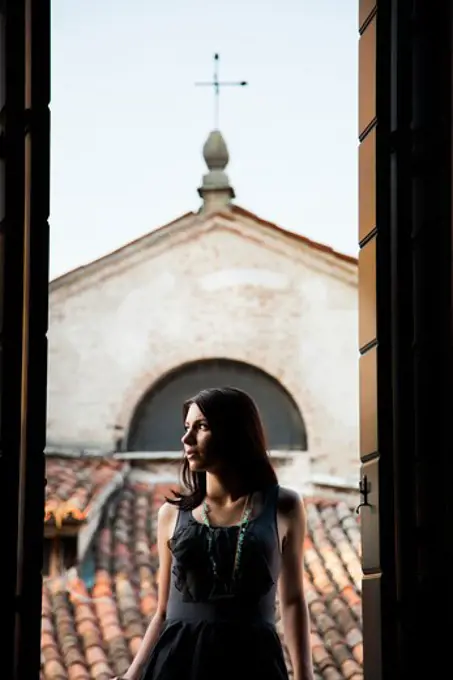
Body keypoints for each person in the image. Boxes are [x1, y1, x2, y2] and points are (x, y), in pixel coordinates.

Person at [114, 386, 314, 680]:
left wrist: (304, 676)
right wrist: (133, 674)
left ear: (235, 432)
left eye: (202, 427)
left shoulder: (285, 506)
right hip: (177, 664)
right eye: (186, 428)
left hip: (254, 663)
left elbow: (293, 600)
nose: (186, 439)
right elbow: (163, 611)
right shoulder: (171, 514)